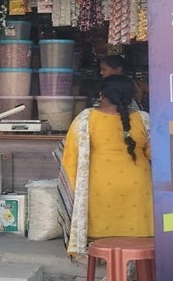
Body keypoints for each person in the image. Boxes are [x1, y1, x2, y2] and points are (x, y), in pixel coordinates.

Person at [60, 74, 152, 259]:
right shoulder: (144, 119)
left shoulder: (86, 118)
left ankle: (107, 264)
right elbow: (154, 154)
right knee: (138, 237)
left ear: (102, 95)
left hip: (100, 186)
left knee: (102, 235)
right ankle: (132, 267)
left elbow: (70, 155)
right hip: (139, 186)